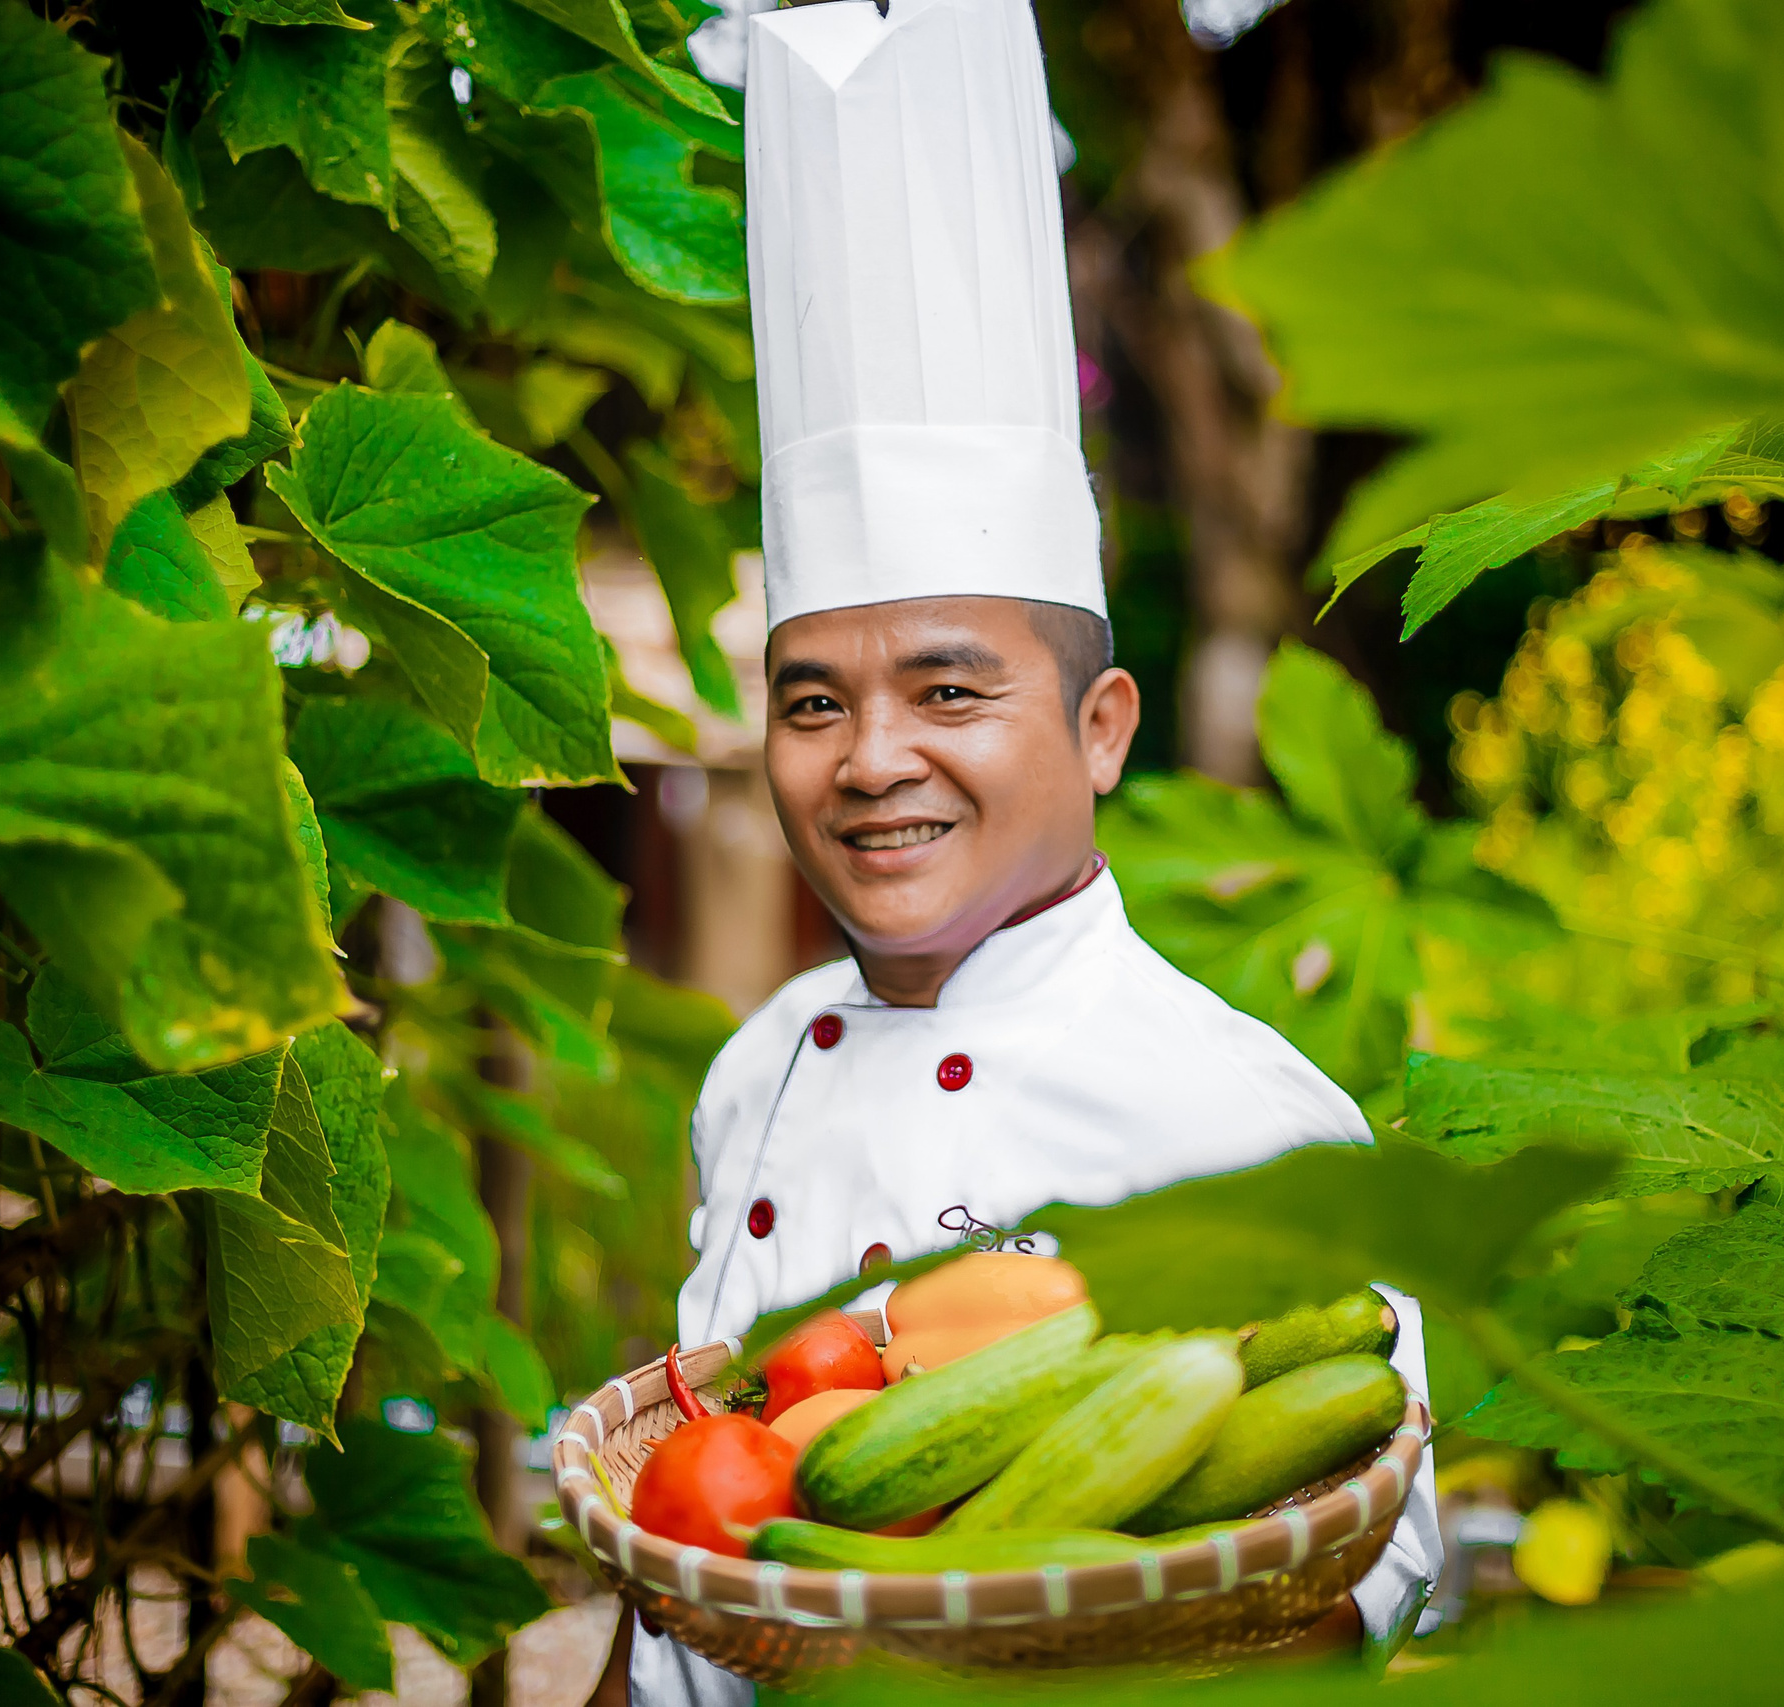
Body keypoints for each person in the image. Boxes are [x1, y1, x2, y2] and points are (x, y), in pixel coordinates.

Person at [609, 2, 1441, 1700]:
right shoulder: (756, 1068)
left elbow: (1373, 1573)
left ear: (1105, 727)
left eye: (951, 688)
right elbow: (684, 1579)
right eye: (813, 700)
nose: (873, 759)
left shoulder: (1250, 1115)